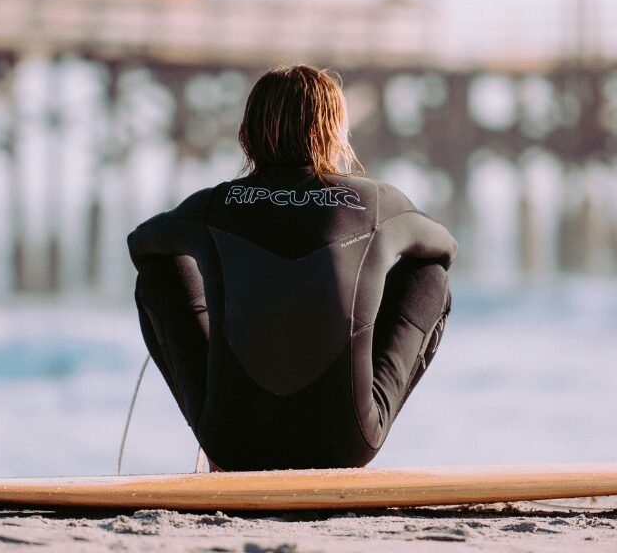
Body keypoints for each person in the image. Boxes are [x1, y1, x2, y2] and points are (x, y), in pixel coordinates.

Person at [127, 64, 455, 471]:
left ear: (247, 134)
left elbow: (142, 244)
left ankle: (215, 440)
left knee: (157, 273)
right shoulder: (373, 203)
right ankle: (356, 408)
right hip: (344, 444)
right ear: (334, 132)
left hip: (233, 441)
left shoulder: (214, 206)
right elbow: (444, 248)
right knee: (430, 276)